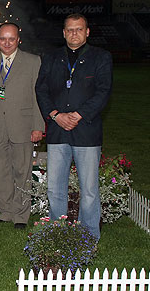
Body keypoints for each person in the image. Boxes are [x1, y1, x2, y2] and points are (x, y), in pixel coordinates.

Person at [35, 13, 113, 239]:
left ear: (87, 32)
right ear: (63, 32)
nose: (74, 33)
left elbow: (103, 91)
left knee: (88, 190)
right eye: (70, 29)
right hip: (58, 130)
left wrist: (79, 115)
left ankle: (89, 236)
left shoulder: (101, 57)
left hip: (86, 132)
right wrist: (55, 115)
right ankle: (56, 234)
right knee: (54, 189)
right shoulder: (51, 58)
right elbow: (41, 90)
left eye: (79, 29)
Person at [0, 23, 44, 229]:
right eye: (3, 39)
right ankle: (5, 211)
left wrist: (38, 126)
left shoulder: (33, 62)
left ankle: (21, 215)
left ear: (19, 39)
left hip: (24, 126)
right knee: (1, 171)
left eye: (11, 39)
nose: (7, 43)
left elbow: (38, 97)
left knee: (22, 171)